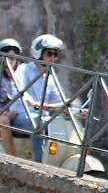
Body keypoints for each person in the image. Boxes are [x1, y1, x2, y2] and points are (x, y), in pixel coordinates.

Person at [9, 33, 66, 162]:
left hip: (43, 117)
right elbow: (22, 93)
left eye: (55, 54)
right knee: (39, 124)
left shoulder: (50, 78)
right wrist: (33, 103)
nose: (53, 58)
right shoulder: (24, 69)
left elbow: (60, 101)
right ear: (38, 53)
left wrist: (71, 107)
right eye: (49, 54)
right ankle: (40, 164)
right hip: (21, 115)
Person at [1, 37, 23, 156]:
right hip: (3, 116)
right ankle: (13, 159)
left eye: (14, 58)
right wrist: (4, 113)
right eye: (8, 57)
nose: (11, 61)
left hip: (19, 115)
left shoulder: (21, 77)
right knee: (3, 120)